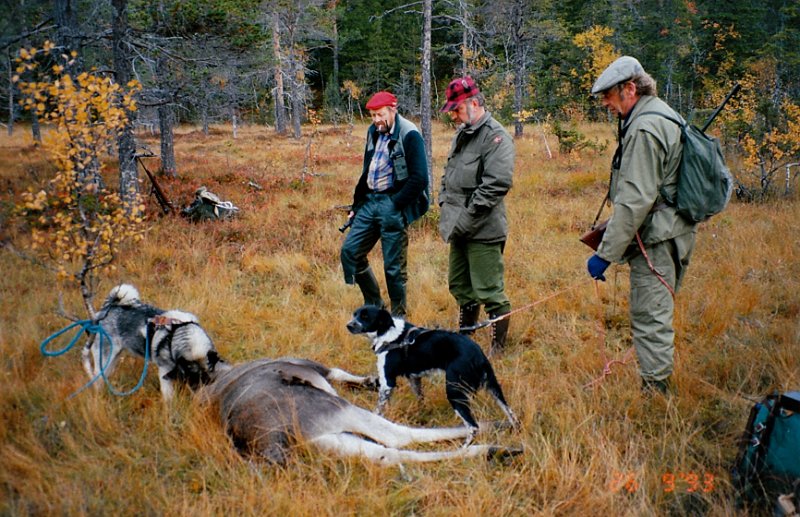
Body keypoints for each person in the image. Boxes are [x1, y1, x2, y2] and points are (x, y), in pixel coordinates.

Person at [586, 56, 697, 394]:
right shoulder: (659, 112)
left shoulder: (645, 128)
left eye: (609, 95)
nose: (606, 103)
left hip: (660, 238)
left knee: (650, 317)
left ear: (630, 89)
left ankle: (656, 396)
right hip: (670, 230)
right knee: (654, 313)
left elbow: (635, 200)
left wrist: (604, 254)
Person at [439, 77, 514, 355]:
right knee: (460, 284)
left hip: (483, 228)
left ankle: (498, 349)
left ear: (474, 103)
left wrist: (466, 218)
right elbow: (449, 173)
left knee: (489, 289)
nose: (454, 117)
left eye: (457, 110)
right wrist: (443, 200)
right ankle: (465, 339)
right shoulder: (463, 133)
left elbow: (496, 185)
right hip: (458, 225)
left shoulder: (496, 137)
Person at [340, 91, 429, 316]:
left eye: (380, 114)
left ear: (393, 110)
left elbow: (420, 179)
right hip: (370, 201)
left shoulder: (410, 134)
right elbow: (367, 171)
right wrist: (357, 205)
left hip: (393, 203)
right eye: (372, 115)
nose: (376, 119)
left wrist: (396, 204)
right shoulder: (374, 132)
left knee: (394, 268)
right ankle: (374, 304)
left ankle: (398, 316)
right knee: (350, 252)